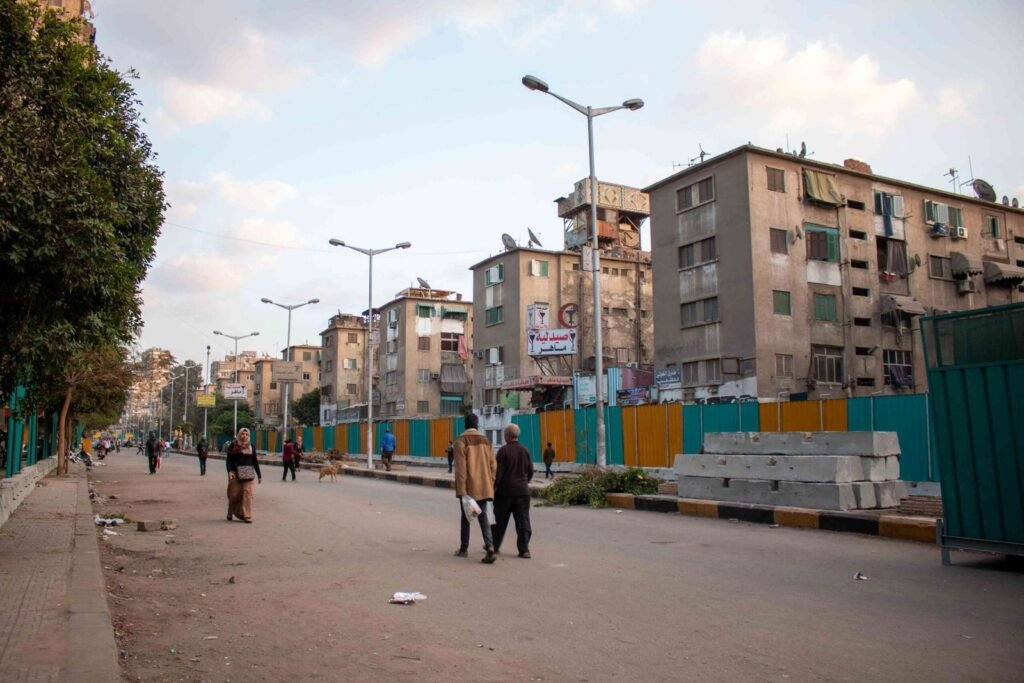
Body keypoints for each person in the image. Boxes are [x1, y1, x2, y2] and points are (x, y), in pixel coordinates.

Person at [453, 412, 497, 563]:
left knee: (466, 516)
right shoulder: (485, 440)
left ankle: (464, 548)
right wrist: (491, 482)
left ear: (465, 425)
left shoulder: (460, 440)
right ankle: (490, 546)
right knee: (483, 516)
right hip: (484, 485)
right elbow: (493, 465)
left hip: (469, 486)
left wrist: (461, 489)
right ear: (477, 425)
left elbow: (460, 468)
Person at [492, 424, 534, 558]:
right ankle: (524, 550)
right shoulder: (525, 450)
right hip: (522, 492)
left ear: (508, 435)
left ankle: (494, 546)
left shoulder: (503, 451)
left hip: (505, 493)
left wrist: (494, 488)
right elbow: (530, 470)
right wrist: (524, 482)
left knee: (499, 521)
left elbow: (498, 474)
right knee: (523, 521)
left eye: (504, 434)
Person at [226, 428, 261, 523]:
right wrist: (229, 471)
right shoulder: (233, 446)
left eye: (246, 434)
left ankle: (247, 515)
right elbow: (229, 460)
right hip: (235, 473)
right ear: (239, 435)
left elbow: (255, 461)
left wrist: (259, 475)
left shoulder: (251, 447)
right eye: (242, 434)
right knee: (234, 494)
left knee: (247, 493)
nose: (244, 436)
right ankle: (230, 511)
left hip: (248, 473)